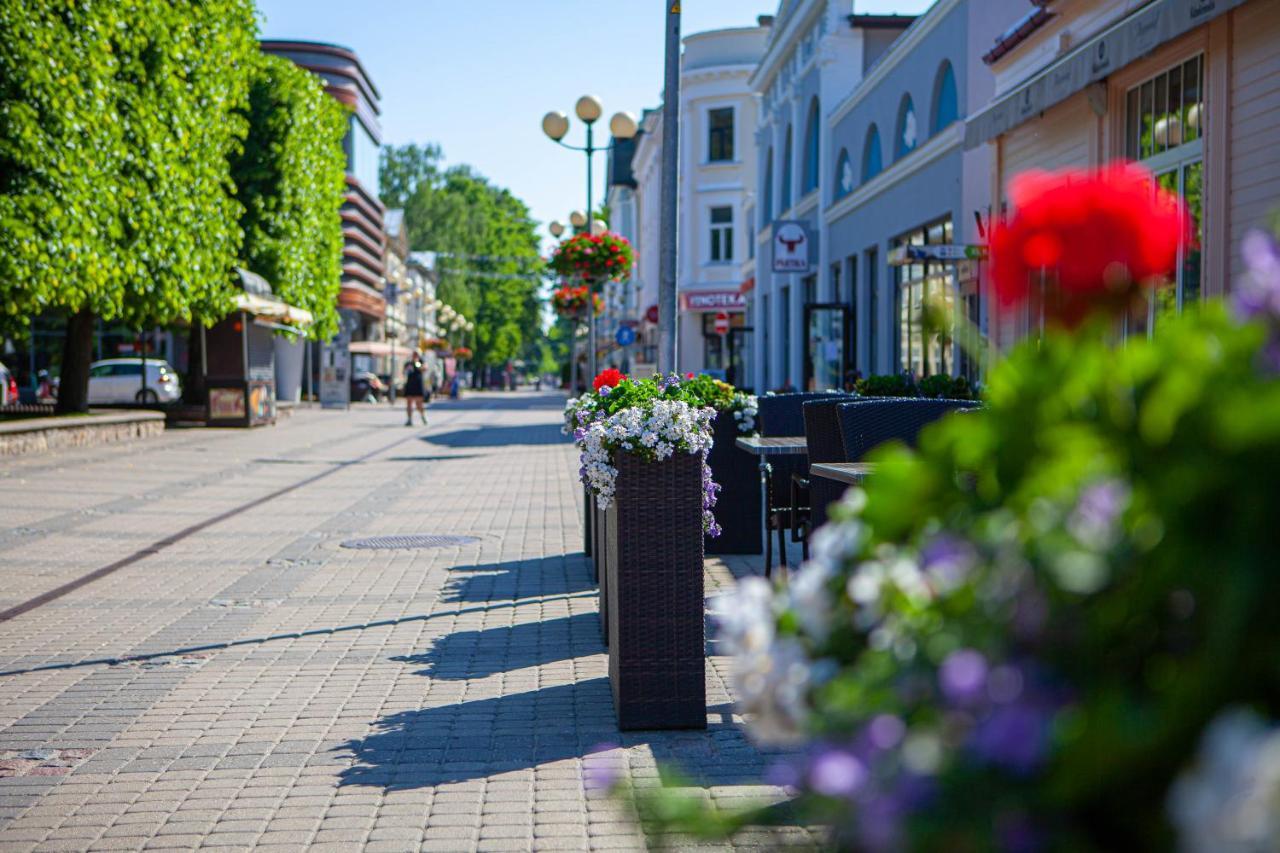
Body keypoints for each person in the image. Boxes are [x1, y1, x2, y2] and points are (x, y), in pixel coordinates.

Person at [402, 357, 427, 426]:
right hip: (410, 384)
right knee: (409, 403)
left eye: (416, 354)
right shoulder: (408, 363)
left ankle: (423, 416)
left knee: (419, 404)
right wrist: (407, 369)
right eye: (414, 354)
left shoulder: (421, 362)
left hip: (418, 384)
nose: (414, 356)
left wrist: (417, 364)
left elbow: (424, 369)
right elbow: (404, 372)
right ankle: (409, 419)